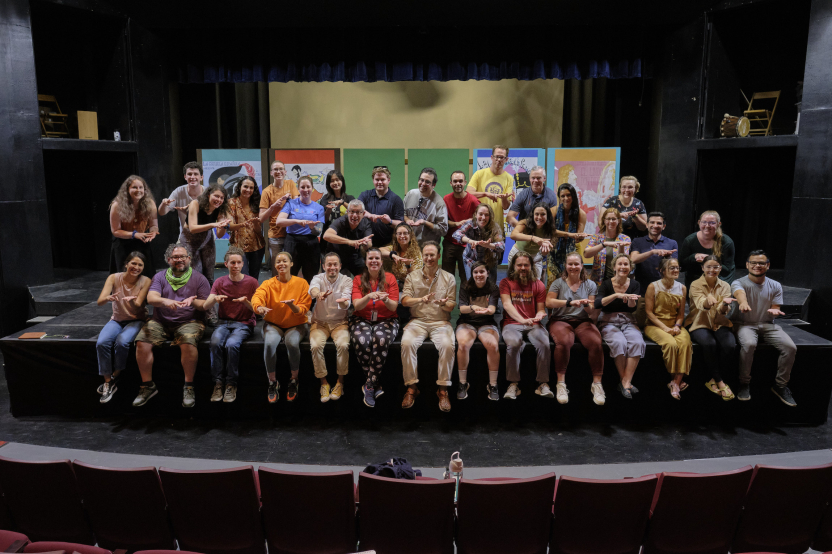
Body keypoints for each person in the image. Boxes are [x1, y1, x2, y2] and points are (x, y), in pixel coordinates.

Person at [132, 244, 211, 409]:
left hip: (190, 321)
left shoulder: (199, 278)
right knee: (142, 342)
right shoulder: (160, 277)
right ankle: (147, 386)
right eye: (175, 257)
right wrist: (166, 301)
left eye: (183, 256)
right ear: (169, 260)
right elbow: (152, 298)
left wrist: (192, 301)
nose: (179, 260)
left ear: (189, 259)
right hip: (160, 321)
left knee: (188, 343)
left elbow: (205, 305)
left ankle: (188, 386)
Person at [731, 250, 797, 406]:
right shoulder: (738, 282)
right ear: (747, 265)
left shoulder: (775, 285)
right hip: (744, 324)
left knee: (790, 347)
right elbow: (739, 294)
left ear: (768, 265)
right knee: (749, 344)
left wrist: (774, 310)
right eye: (753, 262)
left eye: (761, 263)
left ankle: (780, 386)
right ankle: (744, 383)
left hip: (768, 325)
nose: (757, 266)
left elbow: (775, 306)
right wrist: (743, 303)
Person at [400, 241, 457, 412]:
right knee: (407, 343)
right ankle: (412, 387)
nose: (429, 258)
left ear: (438, 256)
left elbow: (452, 305)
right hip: (417, 321)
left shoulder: (449, 277)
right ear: (422, 257)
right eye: (426, 255)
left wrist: (443, 304)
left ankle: (443, 390)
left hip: (441, 322)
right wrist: (420, 299)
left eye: (432, 255)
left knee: (448, 345)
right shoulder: (412, 276)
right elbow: (404, 301)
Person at [546, 252, 605, 405]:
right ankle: (561, 384)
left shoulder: (590, 284)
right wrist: (568, 303)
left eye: (576, 264)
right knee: (564, 342)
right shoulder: (558, 283)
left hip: (582, 321)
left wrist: (586, 304)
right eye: (570, 264)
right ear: (566, 266)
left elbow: (591, 311)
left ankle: (597, 385)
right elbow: (549, 302)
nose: (573, 267)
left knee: (596, 342)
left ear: (581, 265)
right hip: (561, 320)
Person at [251, 252, 311, 403]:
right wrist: (259, 308)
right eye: (278, 261)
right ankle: (272, 382)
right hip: (274, 324)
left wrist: (292, 306)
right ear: (275, 265)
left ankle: (294, 379)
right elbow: (257, 297)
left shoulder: (302, 283)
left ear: (291, 264)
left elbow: (304, 309)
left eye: (285, 261)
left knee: (292, 342)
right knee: (270, 344)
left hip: (296, 324)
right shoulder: (268, 284)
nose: (281, 264)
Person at [202, 246, 258, 404]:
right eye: (232, 262)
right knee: (215, 342)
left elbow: (257, 310)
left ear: (242, 264)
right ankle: (218, 383)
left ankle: (231, 384)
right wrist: (215, 299)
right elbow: (206, 306)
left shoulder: (252, 282)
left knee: (232, 344)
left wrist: (246, 302)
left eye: (239, 262)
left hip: (244, 323)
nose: (236, 265)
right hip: (224, 322)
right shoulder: (220, 282)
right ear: (226, 264)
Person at [95, 252, 152, 403]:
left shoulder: (145, 280)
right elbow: (100, 301)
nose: (136, 267)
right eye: (133, 263)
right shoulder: (113, 278)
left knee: (122, 342)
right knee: (102, 343)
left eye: (140, 265)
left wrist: (132, 300)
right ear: (126, 264)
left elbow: (139, 305)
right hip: (117, 320)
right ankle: (108, 382)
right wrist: (107, 298)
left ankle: (116, 375)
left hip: (136, 319)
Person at [350, 248, 400, 407]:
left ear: (381, 261)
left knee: (380, 338)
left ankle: (369, 385)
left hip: (387, 319)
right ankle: (374, 383)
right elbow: (357, 306)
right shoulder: (358, 279)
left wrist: (384, 299)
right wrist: (369, 296)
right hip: (362, 317)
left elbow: (393, 308)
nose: (374, 261)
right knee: (361, 339)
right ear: (366, 261)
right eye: (370, 258)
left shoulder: (390, 278)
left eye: (377, 258)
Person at [499, 251, 553, 400]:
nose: (523, 268)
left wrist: (539, 315)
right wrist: (522, 320)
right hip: (511, 323)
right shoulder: (506, 283)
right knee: (514, 343)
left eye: (526, 265)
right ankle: (513, 385)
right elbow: (507, 305)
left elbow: (541, 309)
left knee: (544, 344)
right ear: (513, 266)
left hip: (533, 324)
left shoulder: (538, 284)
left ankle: (543, 384)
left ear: (531, 266)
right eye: (519, 265)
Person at [685, 255, 736, 401]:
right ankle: (720, 381)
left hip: (719, 322)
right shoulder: (695, 284)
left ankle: (713, 381)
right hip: (699, 322)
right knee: (709, 344)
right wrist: (708, 301)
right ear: (702, 268)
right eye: (708, 267)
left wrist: (725, 304)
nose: (712, 270)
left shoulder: (725, 286)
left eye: (715, 267)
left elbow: (723, 311)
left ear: (720, 268)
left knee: (729, 345)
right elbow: (701, 304)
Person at [595, 254, 644, 398]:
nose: (623, 267)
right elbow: (597, 304)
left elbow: (631, 309)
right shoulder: (606, 284)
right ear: (614, 267)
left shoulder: (635, 284)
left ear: (630, 267)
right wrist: (617, 295)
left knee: (637, 342)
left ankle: (625, 382)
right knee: (619, 342)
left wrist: (630, 300)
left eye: (626, 264)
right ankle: (626, 383)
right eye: (620, 264)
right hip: (608, 320)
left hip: (628, 320)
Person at [644, 258, 692, 400]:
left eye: (677, 267)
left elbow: (681, 314)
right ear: (662, 271)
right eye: (672, 268)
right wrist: (665, 328)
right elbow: (649, 313)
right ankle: (676, 380)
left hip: (674, 324)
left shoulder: (682, 288)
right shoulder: (653, 286)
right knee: (670, 344)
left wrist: (677, 326)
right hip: (655, 325)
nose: (676, 270)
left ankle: (675, 382)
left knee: (684, 343)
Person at [309, 252, 353, 402]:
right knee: (315, 346)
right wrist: (318, 294)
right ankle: (324, 383)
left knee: (343, 344)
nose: (332, 267)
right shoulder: (317, 278)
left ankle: (340, 382)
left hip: (340, 323)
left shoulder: (347, 280)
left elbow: (348, 301)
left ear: (340, 266)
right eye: (329, 265)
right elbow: (313, 289)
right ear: (324, 266)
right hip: (319, 323)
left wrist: (343, 302)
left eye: (335, 264)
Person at [455, 261, 501, 401]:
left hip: (486, 323)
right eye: (476, 272)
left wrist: (487, 310)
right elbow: (462, 309)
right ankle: (463, 383)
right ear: (472, 273)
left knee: (493, 345)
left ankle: (493, 385)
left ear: (487, 273)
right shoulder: (465, 286)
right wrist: (473, 307)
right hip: (467, 322)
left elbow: (492, 309)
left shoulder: (493, 288)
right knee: (463, 345)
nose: (479, 275)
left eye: (482, 272)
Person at [510, 202, 580, 287]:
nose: (539, 217)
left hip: (535, 257)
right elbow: (513, 235)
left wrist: (571, 235)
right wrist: (534, 238)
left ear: (547, 216)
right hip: (517, 254)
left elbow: (557, 233)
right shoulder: (525, 223)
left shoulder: (548, 227)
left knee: (535, 284)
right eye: (537, 214)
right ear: (532, 215)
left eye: (543, 214)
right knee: (515, 283)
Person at [276, 175, 325, 283]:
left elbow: (319, 231)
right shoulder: (290, 203)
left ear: (312, 188)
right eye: (302, 187)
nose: (305, 190)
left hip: (311, 243)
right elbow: (279, 221)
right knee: (290, 275)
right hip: (292, 242)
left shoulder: (319, 208)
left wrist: (313, 228)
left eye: (308, 187)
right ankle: (290, 299)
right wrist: (297, 221)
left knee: (311, 276)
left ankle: (311, 300)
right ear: (298, 188)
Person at [108, 175, 158, 279]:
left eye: (141, 187)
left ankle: (146, 295)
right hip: (123, 243)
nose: (138, 190)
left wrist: (153, 233)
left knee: (146, 275)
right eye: (134, 187)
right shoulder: (117, 205)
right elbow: (116, 231)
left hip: (142, 241)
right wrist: (135, 234)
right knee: (123, 275)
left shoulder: (150, 204)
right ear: (127, 189)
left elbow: (153, 225)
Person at [185, 183, 231, 286]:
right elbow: (192, 228)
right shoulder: (195, 204)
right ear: (208, 194)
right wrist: (213, 224)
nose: (219, 200)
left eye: (221, 198)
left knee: (209, 273)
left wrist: (225, 225)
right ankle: (194, 300)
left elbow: (219, 235)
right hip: (189, 239)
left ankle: (208, 300)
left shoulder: (220, 209)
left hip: (207, 238)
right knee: (194, 272)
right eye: (216, 196)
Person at [259, 160, 299, 277]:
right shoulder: (267, 192)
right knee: (277, 269)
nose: (278, 171)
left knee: (292, 268)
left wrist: (290, 201)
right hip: (275, 236)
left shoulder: (291, 184)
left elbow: (297, 206)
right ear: (271, 173)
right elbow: (261, 218)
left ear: (285, 171)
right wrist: (273, 206)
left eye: (281, 169)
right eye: (275, 169)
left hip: (291, 233)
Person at [679, 210, 736, 291]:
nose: (707, 225)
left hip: (720, 277)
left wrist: (710, 261)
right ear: (699, 223)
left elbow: (726, 270)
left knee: (717, 300)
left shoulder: (726, 242)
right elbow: (682, 266)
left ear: (718, 224)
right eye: (704, 222)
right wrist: (694, 257)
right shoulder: (690, 240)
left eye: (712, 223)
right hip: (696, 276)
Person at [466, 145, 514, 238]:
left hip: (497, 228)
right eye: (496, 156)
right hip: (479, 226)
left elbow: (506, 206)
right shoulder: (479, 174)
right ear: (492, 157)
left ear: (506, 159)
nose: (499, 160)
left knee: (498, 252)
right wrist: (485, 194)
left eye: (502, 157)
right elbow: (468, 194)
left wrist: (504, 199)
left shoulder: (509, 178)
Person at [453, 203, 505, 282]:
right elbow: (456, 234)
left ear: (490, 216)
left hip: (489, 261)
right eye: (480, 214)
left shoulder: (495, 226)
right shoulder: (470, 223)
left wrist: (489, 245)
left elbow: (502, 246)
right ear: (475, 214)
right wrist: (470, 241)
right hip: (471, 259)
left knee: (490, 288)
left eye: (486, 215)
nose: (483, 218)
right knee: (472, 285)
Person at [225, 176, 266, 278]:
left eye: (251, 188)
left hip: (257, 245)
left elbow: (258, 230)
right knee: (242, 276)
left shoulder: (257, 203)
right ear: (239, 187)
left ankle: (254, 295)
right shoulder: (231, 202)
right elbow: (230, 226)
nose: (248, 190)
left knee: (254, 277)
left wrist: (257, 223)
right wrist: (243, 224)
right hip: (238, 246)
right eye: (245, 186)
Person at [442, 170, 479, 280]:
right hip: (450, 243)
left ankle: (465, 298)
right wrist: (456, 223)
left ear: (465, 183)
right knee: (447, 277)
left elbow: (480, 219)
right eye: (455, 181)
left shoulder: (473, 201)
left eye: (460, 181)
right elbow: (443, 221)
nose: (458, 183)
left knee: (466, 277)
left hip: (467, 244)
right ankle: (448, 298)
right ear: (451, 183)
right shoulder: (446, 199)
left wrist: (469, 222)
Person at [322, 199, 375, 276]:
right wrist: (349, 242)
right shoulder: (340, 221)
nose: (354, 215)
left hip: (354, 256)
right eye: (352, 211)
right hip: (336, 255)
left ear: (363, 214)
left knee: (366, 276)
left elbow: (369, 244)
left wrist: (365, 243)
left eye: (358, 212)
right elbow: (326, 235)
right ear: (347, 212)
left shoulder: (366, 223)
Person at [158, 161, 205, 245]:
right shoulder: (178, 192)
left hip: (206, 238)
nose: (192, 177)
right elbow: (162, 212)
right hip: (185, 238)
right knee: (178, 257)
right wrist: (163, 204)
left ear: (201, 177)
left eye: (195, 174)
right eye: (189, 174)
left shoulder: (208, 193)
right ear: (185, 177)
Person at [357, 166, 404, 249]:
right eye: (377, 180)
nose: (379, 182)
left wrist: (390, 221)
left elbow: (401, 224)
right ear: (373, 180)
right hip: (366, 243)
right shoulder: (365, 195)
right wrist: (370, 215)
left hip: (387, 245)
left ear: (388, 180)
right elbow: (356, 209)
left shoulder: (396, 199)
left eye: (382, 179)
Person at [584, 207, 632, 286]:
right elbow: (586, 254)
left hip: (618, 281)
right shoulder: (596, 238)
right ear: (604, 220)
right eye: (608, 219)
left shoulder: (625, 238)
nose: (611, 221)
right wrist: (604, 244)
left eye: (613, 219)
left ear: (618, 221)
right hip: (598, 281)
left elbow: (623, 259)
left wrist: (621, 246)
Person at [402, 167, 448, 246]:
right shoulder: (410, 194)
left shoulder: (439, 204)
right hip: (407, 244)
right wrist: (407, 220)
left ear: (433, 185)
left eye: (427, 182)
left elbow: (443, 230)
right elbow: (402, 213)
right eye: (421, 180)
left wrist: (425, 223)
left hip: (426, 249)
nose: (423, 184)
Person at [552, 183, 588, 276]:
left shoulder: (581, 214)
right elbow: (551, 231)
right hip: (555, 248)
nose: (566, 198)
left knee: (574, 277)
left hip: (573, 248)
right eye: (562, 196)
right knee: (554, 279)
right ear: (559, 197)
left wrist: (580, 237)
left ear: (573, 196)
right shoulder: (553, 211)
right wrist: (570, 234)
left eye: (568, 195)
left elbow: (578, 237)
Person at [319, 170, 355, 254]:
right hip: (328, 240)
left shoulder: (350, 198)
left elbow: (355, 211)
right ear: (329, 184)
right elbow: (323, 219)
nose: (335, 182)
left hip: (346, 238)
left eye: (337, 180)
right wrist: (329, 209)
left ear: (342, 181)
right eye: (332, 181)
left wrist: (342, 203)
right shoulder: (325, 199)